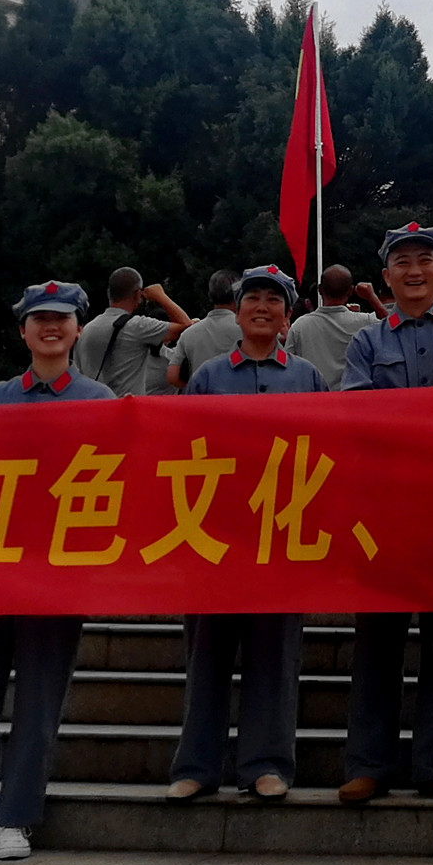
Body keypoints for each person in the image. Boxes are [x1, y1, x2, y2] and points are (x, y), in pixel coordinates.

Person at [0, 281, 115, 863]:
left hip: (56, 578)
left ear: (76, 331)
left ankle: (17, 816)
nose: (51, 327)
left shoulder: (102, 403)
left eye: (62, 319)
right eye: (39, 318)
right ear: (23, 331)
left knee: (40, 703)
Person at [336, 222, 433, 806]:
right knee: (376, 642)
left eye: (424, 259)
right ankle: (367, 764)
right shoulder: (366, 343)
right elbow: (357, 419)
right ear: (386, 277)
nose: (413, 270)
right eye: (401, 262)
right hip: (385, 516)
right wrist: (432, 406)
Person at [168, 266, 323, 803]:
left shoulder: (306, 378)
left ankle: (267, 764)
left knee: (275, 657)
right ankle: (196, 766)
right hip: (217, 540)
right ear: (236, 312)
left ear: (288, 314)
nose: (262, 307)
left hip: (282, 540)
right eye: (252, 298)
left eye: (273, 300)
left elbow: (326, 453)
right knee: (207, 655)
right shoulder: (209, 375)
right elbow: (183, 451)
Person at [72, 267, 193, 398]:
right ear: (137, 294)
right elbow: (185, 325)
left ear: (109, 293)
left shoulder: (87, 330)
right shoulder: (136, 327)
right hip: (126, 410)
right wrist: (160, 296)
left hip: (94, 408)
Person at [286, 263, 379, 387]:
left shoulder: (300, 326)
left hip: (313, 401)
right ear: (350, 291)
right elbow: (395, 328)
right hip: (352, 401)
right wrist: (371, 297)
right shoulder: (367, 322)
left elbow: (286, 368)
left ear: (320, 290)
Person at [164, 271, 242, 391]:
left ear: (210, 296)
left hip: (201, 403)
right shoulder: (247, 331)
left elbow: (172, 376)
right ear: (238, 296)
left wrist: (194, 388)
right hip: (240, 400)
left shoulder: (189, 333)